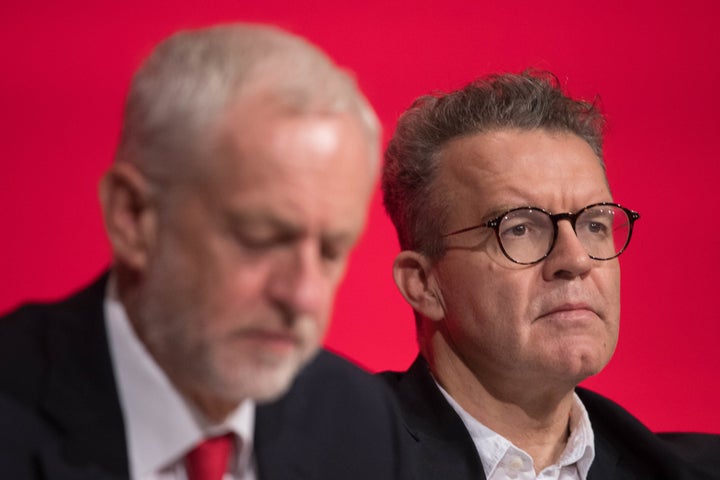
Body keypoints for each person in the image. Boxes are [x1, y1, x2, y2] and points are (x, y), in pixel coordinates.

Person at [0, 24, 410, 480]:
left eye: (332, 251)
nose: (304, 296)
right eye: (259, 237)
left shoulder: (359, 421)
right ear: (132, 217)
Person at [380, 71, 720, 479]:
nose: (576, 260)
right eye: (519, 228)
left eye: (594, 224)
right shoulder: (334, 459)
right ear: (423, 283)